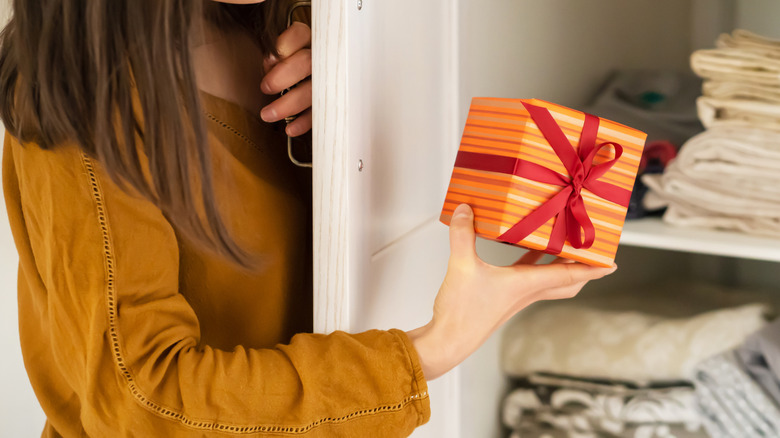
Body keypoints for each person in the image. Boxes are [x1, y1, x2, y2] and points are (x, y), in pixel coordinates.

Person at [0, 0, 617, 436]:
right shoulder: (85, 100)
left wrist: (349, 96)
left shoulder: (282, 27)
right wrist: (429, 349)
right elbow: (146, 405)